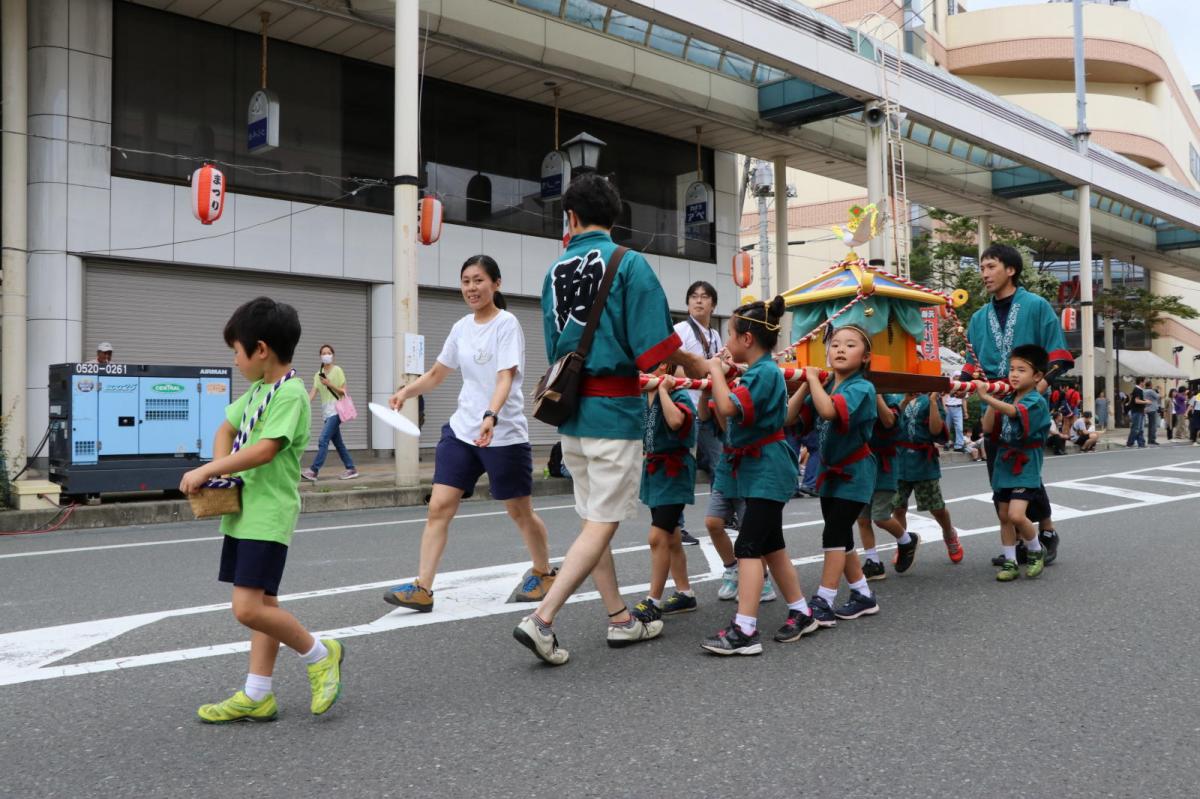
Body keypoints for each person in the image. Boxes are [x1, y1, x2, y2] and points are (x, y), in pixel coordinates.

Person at [513, 173, 703, 666]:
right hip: (615, 412)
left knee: (591, 522)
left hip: (572, 415)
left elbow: (558, 347)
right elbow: (655, 351)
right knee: (602, 524)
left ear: (570, 219)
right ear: (614, 219)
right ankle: (543, 620)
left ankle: (620, 618)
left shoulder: (554, 270)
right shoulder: (629, 264)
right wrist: (704, 367)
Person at [180, 297, 344, 723]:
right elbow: (227, 427)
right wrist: (223, 477)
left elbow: (266, 449)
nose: (235, 360)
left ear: (261, 349)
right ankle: (258, 693)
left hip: (268, 514)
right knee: (265, 605)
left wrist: (209, 469)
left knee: (247, 608)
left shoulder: (289, 395)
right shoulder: (258, 390)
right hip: (244, 510)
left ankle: (320, 654)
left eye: (237, 351)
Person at [385, 255, 555, 613]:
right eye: (466, 281)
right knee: (439, 507)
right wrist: (406, 391)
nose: (471, 288)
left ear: (496, 284)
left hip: (503, 434)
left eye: (478, 280)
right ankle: (423, 587)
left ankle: (543, 571)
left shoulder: (507, 324)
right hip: (463, 431)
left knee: (519, 511)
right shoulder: (461, 326)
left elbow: (505, 376)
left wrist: (491, 415)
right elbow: (437, 373)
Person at [701, 297, 813, 655]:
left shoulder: (763, 373)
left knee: (748, 546)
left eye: (730, 336)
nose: (726, 344)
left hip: (767, 467)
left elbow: (731, 407)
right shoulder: (759, 372)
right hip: (760, 466)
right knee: (770, 544)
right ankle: (801, 611)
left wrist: (717, 373)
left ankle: (745, 629)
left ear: (747, 340)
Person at [961, 243, 1071, 566]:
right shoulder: (978, 318)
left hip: (1029, 404)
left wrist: (1036, 388)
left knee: (1025, 467)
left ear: (1011, 270)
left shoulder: (1036, 306)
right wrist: (957, 385)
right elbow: (971, 365)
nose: (984, 274)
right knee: (1000, 469)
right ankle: (1015, 543)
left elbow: (1059, 357)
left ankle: (1046, 531)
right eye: (981, 268)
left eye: (991, 266)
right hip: (994, 403)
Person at [788, 324, 882, 626]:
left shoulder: (862, 388)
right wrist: (806, 382)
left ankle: (823, 601)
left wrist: (814, 380)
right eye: (835, 344)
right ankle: (863, 595)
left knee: (834, 532)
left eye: (850, 345)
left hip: (855, 473)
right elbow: (788, 417)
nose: (840, 349)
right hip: (832, 473)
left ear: (866, 357)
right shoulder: (825, 385)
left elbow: (828, 412)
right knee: (841, 535)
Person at [974, 344, 1052, 582]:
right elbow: (988, 428)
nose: (1014, 374)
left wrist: (986, 396)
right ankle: (1009, 560)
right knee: (1004, 515)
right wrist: (990, 400)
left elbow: (1015, 412)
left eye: (1022, 370)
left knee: (1018, 516)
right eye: (1012, 369)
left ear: (1037, 376)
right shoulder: (1008, 397)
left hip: (1025, 464)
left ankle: (1036, 550)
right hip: (1004, 464)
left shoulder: (1035, 401)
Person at [630, 366, 699, 624]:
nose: (650, 368)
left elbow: (676, 421)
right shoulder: (641, 394)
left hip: (674, 472)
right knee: (671, 536)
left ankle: (653, 601)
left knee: (657, 536)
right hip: (654, 472)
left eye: (658, 363)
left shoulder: (677, 392)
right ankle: (685, 593)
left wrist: (663, 390)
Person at [698, 385, 777, 605]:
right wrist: (706, 394)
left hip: (748, 467)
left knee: (749, 530)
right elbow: (705, 417)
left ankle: (763, 581)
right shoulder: (719, 387)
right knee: (713, 522)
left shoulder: (752, 383)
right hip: (726, 467)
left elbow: (732, 427)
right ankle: (732, 570)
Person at [672, 281, 723, 546]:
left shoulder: (715, 336)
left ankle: (723, 515)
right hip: (685, 407)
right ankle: (676, 526)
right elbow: (668, 364)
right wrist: (698, 375)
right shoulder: (681, 329)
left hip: (707, 409)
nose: (699, 301)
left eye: (705, 297)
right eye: (694, 297)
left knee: (719, 461)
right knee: (682, 466)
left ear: (713, 304)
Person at [892, 391, 964, 565]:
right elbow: (889, 426)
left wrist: (932, 401)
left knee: (936, 508)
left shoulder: (929, 397)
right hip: (899, 458)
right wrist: (903, 402)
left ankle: (949, 534)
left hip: (923, 460)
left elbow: (935, 430)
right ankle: (903, 545)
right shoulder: (892, 395)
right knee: (898, 508)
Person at [856, 393, 907, 580]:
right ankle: (873, 562)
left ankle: (907, 540)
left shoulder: (887, 397)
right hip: (861, 464)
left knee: (880, 516)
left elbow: (889, 422)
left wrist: (876, 394)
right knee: (862, 519)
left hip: (884, 465)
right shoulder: (856, 393)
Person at [301, 345, 358, 481]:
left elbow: (343, 391)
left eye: (329, 353)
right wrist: (302, 404)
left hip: (337, 411)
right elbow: (313, 394)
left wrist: (329, 383)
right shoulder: (317, 375)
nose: (326, 355)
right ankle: (351, 468)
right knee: (338, 443)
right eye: (323, 353)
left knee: (323, 439)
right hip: (326, 412)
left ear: (333, 355)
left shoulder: (337, 370)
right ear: (320, 356)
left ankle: (314, 470)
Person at [1126, 377, 1148, 448]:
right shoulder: (1137, 390)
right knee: (1136, 428)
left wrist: (1144, 407)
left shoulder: (1140, 390)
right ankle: (1130, 443)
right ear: (1141, 382)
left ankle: (1141, 443)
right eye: (1144, 382)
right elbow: (1136, 401)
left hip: (1139, 411)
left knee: (1140, 428)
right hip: (1136, 412)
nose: (1145, 383)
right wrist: (1146, 402)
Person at [1144, 381, 1161, 446]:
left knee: (1150, 426)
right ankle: (1152, 440)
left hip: (1147, 408)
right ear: (1150, 385)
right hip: (1153, 409)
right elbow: (1158, 397)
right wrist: (1158, 390)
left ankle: (1150, 440)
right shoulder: (1151, 391)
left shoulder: (1144, 391)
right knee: (1153, 426)